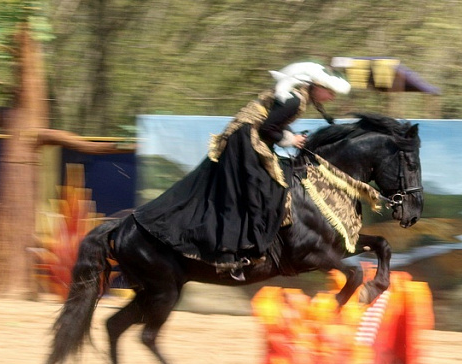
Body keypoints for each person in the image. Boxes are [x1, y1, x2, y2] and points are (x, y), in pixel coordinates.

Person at [133, 62, 351, 280]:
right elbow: (267, 128)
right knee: (261, 194)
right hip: (246, 144)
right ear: (317, 86)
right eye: (330, 92)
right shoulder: (295, 100)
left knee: (264, 192)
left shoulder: (297, 96)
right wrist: (291, 139)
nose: (331, 97)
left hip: (248, 142)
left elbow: (272, 123)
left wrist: (289, 136)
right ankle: (234, 256)